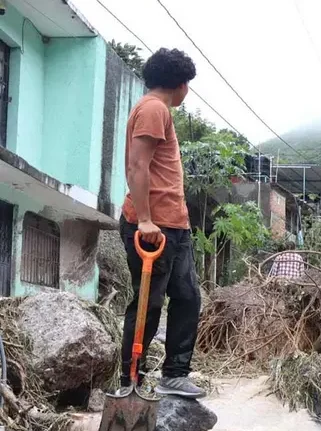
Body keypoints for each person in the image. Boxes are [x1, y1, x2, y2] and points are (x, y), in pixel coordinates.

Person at [118, 48, 205, 399]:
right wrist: (145, 220)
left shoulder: (157, 109)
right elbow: (137, 166)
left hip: (175, 226)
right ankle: (130, 382)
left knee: (187, 297)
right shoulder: (154, 109)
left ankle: (174, 374)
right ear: (181, 84)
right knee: (148, 303)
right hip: (154, 228)